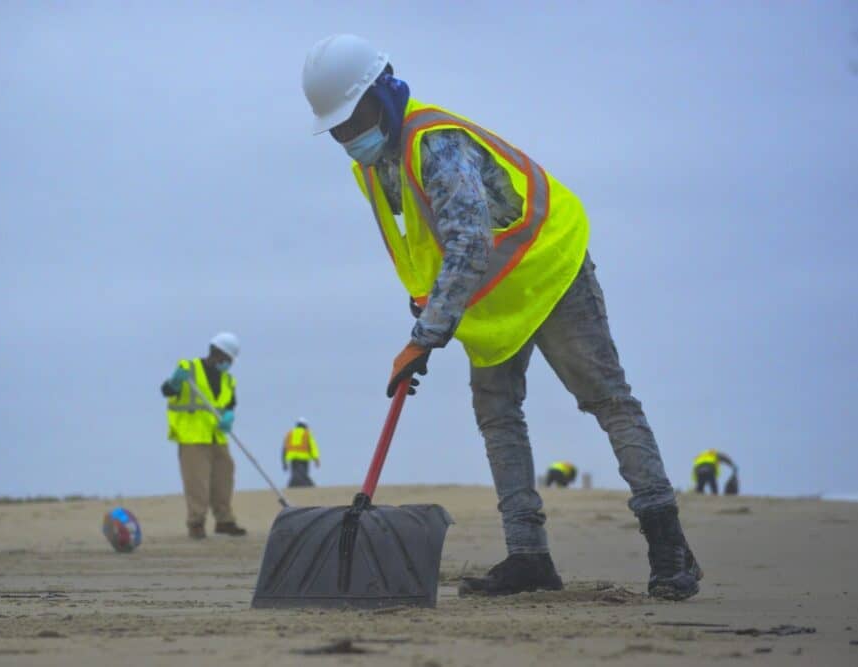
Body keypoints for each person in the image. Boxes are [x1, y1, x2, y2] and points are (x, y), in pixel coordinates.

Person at [301, 34, 702, 601]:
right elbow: (423, 238)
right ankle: (528, 556)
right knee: (498, 416)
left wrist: (427, 334)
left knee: (608, 400)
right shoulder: (371, 166)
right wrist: (427, 305)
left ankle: (669, 549)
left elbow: (469, 240)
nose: (347, 136)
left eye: (352, 119)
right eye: (337, 128)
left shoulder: (433, 142)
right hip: (491, 299)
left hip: (548, 270)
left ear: (383, 92)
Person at [161, 332, 247, 539]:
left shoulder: (228, 380)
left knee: (224, 478)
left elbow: (230, 404)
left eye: (231, 360)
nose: (228, 364)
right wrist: (174, 382)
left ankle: (224, 520)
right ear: (216, 352)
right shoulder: (188, 369)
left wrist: (228, 416)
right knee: (197, 483)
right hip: (192, 437)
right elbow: (167, 390)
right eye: (227, 359)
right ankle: (196, 523)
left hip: (218, 436)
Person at [282, 418, 321, 487]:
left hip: (293, 459)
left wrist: (284, 462)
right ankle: (311, 487)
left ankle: (293, 488)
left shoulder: (290, 433)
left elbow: (284, 448)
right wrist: (316, 459)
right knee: (302, 475)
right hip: (304, 458)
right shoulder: (306, 433)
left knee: (297, 475)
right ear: (305, 425)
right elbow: (313, 447)